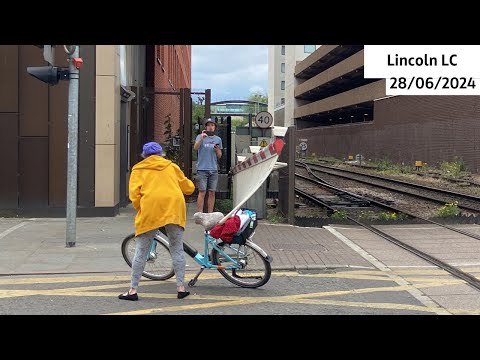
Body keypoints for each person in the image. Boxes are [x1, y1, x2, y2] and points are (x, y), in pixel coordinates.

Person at [118, 141, 195, 301]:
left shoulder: (138, 169)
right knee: (177, 248)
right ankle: (181, 288)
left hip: (151, 208)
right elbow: (188, 188)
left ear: (144, 156)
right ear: (161, 154)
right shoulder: (171, 166)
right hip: (173, 207)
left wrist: (142, 208)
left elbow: (134, 195)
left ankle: (133, 291)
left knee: (141, 250)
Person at [193, 118, 223, 213]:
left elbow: (219, 156)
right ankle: (199, 213)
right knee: (202, 192)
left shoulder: (218, 139)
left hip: (213, 169)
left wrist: (217, 150)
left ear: (215, 127)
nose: (210, 127)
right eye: (208, 125)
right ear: (205, 127)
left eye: (212, 125)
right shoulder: (200, 136)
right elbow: (195, 148)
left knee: (212, 192)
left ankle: (210, 213)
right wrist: (202, 138)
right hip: (202, 169)